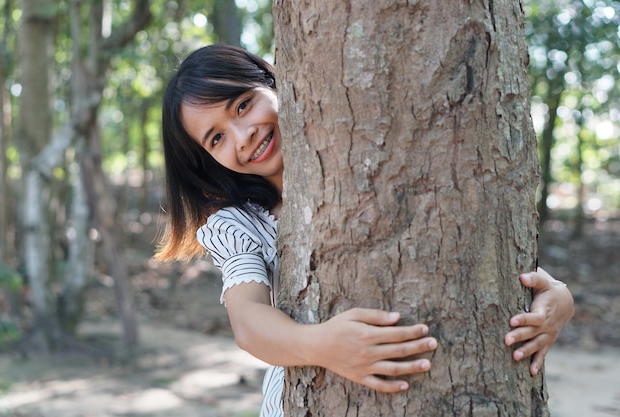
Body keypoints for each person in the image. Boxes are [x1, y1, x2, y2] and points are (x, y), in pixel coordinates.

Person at [155, 44, 574, 416]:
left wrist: (560, 298)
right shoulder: (238, 223)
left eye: (243, 105)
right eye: (216, 139)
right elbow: (247, 321)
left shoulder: (372, 153)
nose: (243, 135)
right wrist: (323, 345)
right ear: (207, 161)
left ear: (273, 83)